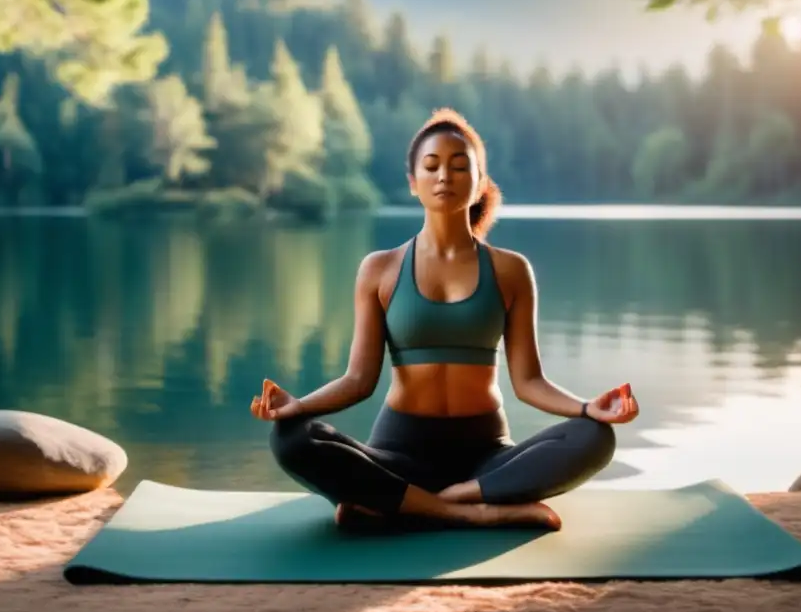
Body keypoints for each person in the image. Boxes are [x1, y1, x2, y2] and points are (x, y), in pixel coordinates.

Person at [250, 108, 639, 531]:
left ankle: (406, 504)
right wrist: (298, 406)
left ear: (479, 184)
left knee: (595, 437)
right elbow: (359, 380)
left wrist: (587, 407)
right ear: (413, 183)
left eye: (459, 166)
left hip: (487, 457)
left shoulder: (511, 270)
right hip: (398, 454)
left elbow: (529, 382)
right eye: (431, 166)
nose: (444, 177)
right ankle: (463, 512)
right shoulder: (380, 269)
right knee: (290, 438)